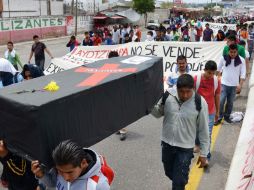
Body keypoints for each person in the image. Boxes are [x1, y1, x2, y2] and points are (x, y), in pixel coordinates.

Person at [151, 74, 209, 190]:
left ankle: (180, 182)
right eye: (182, 91)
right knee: (169, 173)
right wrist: (148, 105)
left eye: (188, 92)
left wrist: (203, 154)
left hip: (185, 149)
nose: (185, 95)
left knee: (178, 183)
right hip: (167, 144)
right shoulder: (168, 95)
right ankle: (180, 179)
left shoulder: (200, 103)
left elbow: (204, 130)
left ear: (193, 88)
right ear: (176, 88)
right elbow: (157, 113)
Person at [31, 140, 111, 190]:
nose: (65, 178)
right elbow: (52, 183)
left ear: (83, 163)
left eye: (69, 172)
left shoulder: (99, 185)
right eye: (60, 171)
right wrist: (41, 175)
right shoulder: (60, 166)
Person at [194, 61, 221, 159]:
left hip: (210, 112)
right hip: (197, 111)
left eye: (213, 73)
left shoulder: (216, 81)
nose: (211, 75)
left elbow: (217, 96)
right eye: (209, 73)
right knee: (197, 130)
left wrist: (217, 111)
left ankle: (206, 156)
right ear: (205, 70)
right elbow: (191, 95)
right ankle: (197, 143)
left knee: (207, 134)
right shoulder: (196, 79)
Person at [215, 44, 246, 125]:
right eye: (231, 52)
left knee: (230, 103)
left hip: (234, 85)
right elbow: (218, 70)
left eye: (234, 52)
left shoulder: (241, 60)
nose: (232, 54)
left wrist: (240, 85)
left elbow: (243, 73)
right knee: (221, 101)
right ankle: (219, 117)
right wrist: (214, 80)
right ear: (228, 51)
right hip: (223, 84)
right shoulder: (223, 58)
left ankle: (227, 117)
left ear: (237, 52)